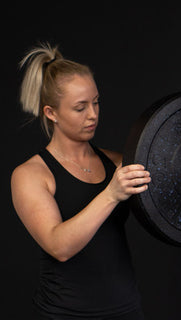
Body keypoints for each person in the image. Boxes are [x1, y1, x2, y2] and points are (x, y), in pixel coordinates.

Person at [11, 43, 150, 319]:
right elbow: (59, 246)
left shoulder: (116, 162)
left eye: (96, 102)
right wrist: (111, 194)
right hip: (65, 314)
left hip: (127, 310)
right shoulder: (30, 175)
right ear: (51, 113)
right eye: (80, 107)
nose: (93, 115)